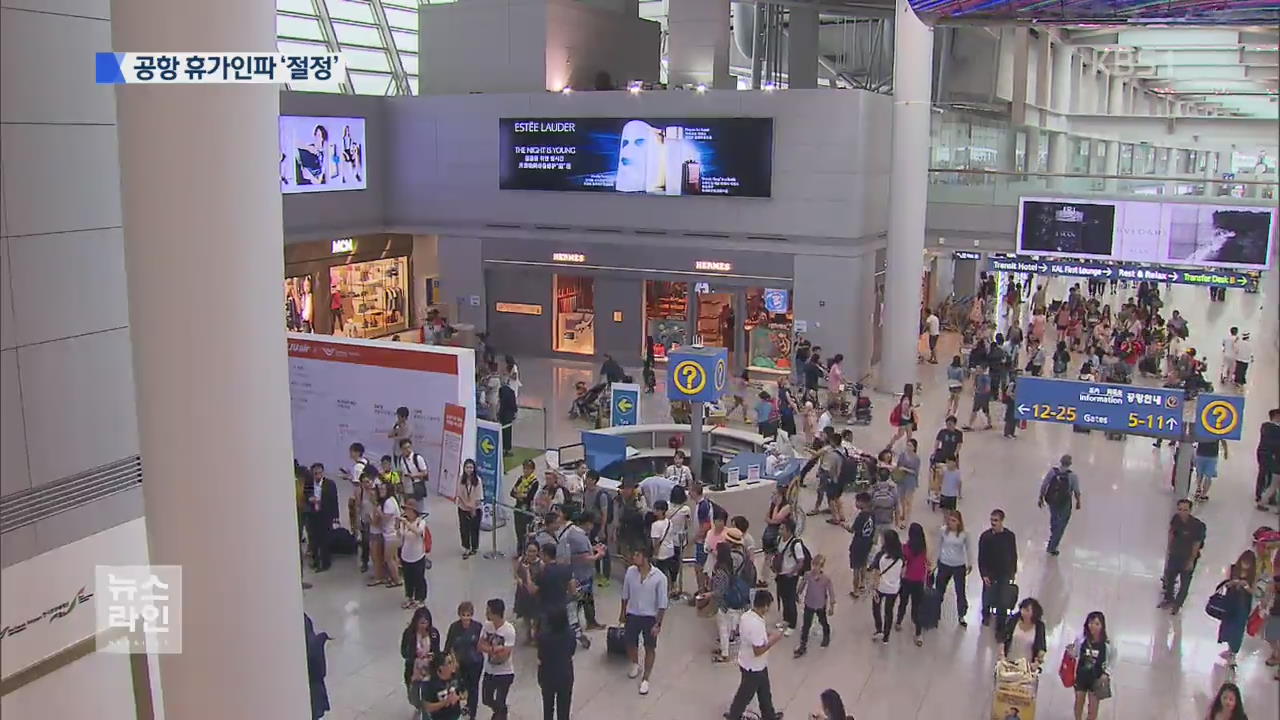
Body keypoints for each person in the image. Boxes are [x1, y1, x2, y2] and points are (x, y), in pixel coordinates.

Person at [724, 590, 783, 720]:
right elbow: (758, 651)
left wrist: (768, 634)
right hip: (754, 667)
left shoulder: (747, 616)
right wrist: (774, 639)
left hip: (752, 663)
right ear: (765, 606)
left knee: (764, 693)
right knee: (744, 695)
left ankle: (769, 716)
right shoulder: (756, 624)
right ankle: (733, 716)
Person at [620, 545, 668, 695]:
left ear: (645, 557)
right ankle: (635, 663)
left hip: (650, 616)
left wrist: (658, 623)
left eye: (637, 555)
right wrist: (622, 612)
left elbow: (662, 603)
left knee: (649, 647)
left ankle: (646, 679)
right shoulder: (630, 572)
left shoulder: (659, 577)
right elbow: (625, 594)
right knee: (629, 642)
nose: (634, 558)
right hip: (633, 613)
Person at [707, 533, 754, 663]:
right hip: (732, 601)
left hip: (723, 603)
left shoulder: (720, 570)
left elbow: (719, 590)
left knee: (723, 627)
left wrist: (709, 594)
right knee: (727, 627)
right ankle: (724, 648)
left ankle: (725, 653)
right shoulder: (731, 565)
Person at [1159, 498, 1206, 614]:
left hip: (1187, 557)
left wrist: (1191, 560)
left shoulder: (1197, 526)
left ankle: (1177, 604)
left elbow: (1196, 544)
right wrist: (1169, 548)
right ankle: (1168, 599)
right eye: (1180, 509)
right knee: (1170, 578)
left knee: (1184, 583)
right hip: (1175, 554)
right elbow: (1172, 532)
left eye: (1185, 510)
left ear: (1190, 510)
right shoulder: (1176, 519)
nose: (1182, 512)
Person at [1069, 611, 1115, 720]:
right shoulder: (1081, 639)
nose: (1093, 626)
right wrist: (1070, 652)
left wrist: (1107, 673)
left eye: (1097, 624)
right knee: (1078, 703)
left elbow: (1112, 659)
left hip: (1096, 679)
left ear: (1102, 626)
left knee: (1093, 708)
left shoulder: (1107, 644)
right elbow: (1075, 653)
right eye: (1091, 623)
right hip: (1081, 677)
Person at [978, 509, 1018, 632]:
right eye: (991, 520)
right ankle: (986, 615)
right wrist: (984, 574)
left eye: (996, 520)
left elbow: (1013, 554)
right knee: (988, 595)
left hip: (1005, 573)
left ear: (1002, 521)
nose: (993, 523)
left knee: (1003, 598)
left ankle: (1001, 623)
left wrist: (1013, 571)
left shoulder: (1009, 536)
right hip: (990, 573)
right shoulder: (986, 537)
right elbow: (981, 557)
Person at [1217, 551, 1257, 669]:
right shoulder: (1233, 568)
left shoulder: (1253, 574)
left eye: (1248, 563)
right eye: (1244, 561)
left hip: (1243, 605)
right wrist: (1233, 583)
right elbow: (1226, 583)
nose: (1246, 565)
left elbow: (1254, 592)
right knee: (1228, 626)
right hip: (1231, 603)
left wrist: (1245, 586)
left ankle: (1233, 653)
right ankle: (1230, 650)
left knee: (1238, 630)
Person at [444, 602, 484, 720]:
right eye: (463, 615)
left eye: (468, 615)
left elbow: (482, 643)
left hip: (475, 663)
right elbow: (449, 646)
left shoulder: (478, 627)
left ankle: (473, 713)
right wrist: (453, 661)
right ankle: (459, 710)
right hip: (459, 664)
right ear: (459, 615)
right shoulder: (454, 628)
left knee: (473, 688)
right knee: (459, 687)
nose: (466, 618)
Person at [479, 598, 517, 720]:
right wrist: (494, 649)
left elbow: (505, 655)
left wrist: (490, 648)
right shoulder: (487, 626)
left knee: (500, 700)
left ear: (495, 614)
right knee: (486, 699)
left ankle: (500, 715)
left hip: (504, 673)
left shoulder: (509, 630)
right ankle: (501, 711)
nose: (486, 614)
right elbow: (479, 645)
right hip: (489, 671)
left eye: (488, 611)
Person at [934, 509, 973, 627]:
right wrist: (935, 561)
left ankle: (961, 615)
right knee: (939, 590)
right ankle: (935, 613)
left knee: (960, 592)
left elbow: (968, 549)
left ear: (959, 522)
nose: (951, 523)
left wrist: (970, 563)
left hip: (958, 566)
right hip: (944, 563)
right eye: (949, 520)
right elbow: (938, 546)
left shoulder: (964, 534)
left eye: (954, 521)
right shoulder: (943, 531)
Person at [1038, 454, 1082, 556]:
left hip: (1052, 500)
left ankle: (1053, 537)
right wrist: (1078, 502)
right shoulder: (1072, 476)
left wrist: (1040, 497)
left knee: (1054, 520)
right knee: (1061, 524)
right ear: (1070, 463)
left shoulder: (1052, 472)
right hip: (1065, 503)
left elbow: (1044, 485)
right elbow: (1076, 491)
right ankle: (1052, 546)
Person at [537, 607, 576, 720]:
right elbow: (572, 652)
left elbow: (541, 656)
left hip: (547, 676)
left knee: (548, 708)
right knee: (564, 709)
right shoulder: (570, 634)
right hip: (565, 675)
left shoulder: (543, 637)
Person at [895, 522, 930, 646]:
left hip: (906, 580)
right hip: (919, 581)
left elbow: (902, 563)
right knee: (917, 607)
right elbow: (927, 563)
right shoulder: (923, 548)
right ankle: (918, 634)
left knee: (903, 603)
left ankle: (898, 622)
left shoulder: (906, 547)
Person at [774, 519, 808, 636]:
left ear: (789, 531)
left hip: (790, 577)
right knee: (783, 597)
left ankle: (792, 624)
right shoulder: (780, 540)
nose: (780, 531)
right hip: (781, 574)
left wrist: (793, 572)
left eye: (782, 529)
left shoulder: (796, 544)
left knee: (790, 600)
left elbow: (800, 561)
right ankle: (785, 619)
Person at [401, 607, 441, 706]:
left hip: (429, 670)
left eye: (425, 622)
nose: (423, 626)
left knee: (427, 695)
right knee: (413, 697)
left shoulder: (433, 633)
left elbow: (437, 651)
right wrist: (414, 655)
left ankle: (425, 711)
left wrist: (433, 656)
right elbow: (404, 652)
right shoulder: (409, 634)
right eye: (421, 622)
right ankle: (418, 706)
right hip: (413, 670)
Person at [869, 528, 903, 644]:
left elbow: (876, 573)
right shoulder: (901, 556)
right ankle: (886, 636)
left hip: (881, 587)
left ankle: (879, 629)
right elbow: (902, 572)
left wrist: (873, 588)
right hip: (894, 588)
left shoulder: (881, 556)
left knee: (876, 608)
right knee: (889, 611)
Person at [999, 598, 1046, 669]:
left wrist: (1038, 662)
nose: (1023, 612)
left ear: (1034, 613)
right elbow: (1003, 637)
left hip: (1026, 666)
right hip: (1009, 662)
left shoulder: (1039, 626)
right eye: (1022, 609)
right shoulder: (1014, 619)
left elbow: (1041, 646)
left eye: (1027, 610)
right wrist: (1002, 655)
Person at [416, 650, 464, 720]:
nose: (453, 665)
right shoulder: (429, 684)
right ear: (440, 668)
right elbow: (427, 707)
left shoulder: (456, 677)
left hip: (456, 716)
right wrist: (445, 702)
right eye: (449, 663)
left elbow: (464, 692)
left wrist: (458, 697)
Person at [399, 501, 429, 609]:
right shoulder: (403, 523)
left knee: (419, 578)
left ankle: (420, 598)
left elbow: (418, 532)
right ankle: (409, 597)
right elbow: (401, 537)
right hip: (406, 555)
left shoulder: (421, 522)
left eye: (408, 510)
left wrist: (407, 524)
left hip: (418, 555)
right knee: (408, 578)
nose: (406, 512)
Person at [513, 540, 544, 641]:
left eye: (534, 551)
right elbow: (516, 573)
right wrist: (519, 579)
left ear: (538, 552)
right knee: (525, 614)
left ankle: (535, 632)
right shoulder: (521, 560)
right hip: (523, 592)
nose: (531, 554)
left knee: (536, 615)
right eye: (529, 551)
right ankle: (528, 633)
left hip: (536, 593)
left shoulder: (541, 564)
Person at [311, 464, 339, 572]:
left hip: (326, 515)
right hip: (313, 515)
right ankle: (315, 561)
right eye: (315, 473)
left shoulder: (330, 484)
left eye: (319, 473)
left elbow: (334, 501)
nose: (317, 475)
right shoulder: (309, 484)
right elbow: (304, 496)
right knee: (314, 540)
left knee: (325, 540)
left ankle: (325, 563)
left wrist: (336, 517)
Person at [847, 492, 875, 598]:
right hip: (867, 543)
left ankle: (855, 590)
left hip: (857, 544)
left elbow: (852, 529)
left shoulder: (861, 516)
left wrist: (845, 526)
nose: (856, 504)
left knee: (856, 568)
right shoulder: (872, 514)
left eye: (857, 501)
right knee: (863, 564)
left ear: (863, 502)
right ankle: (862, 584)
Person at [511, 459, 540, 551]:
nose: (525, 471)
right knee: (518, 531)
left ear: (532, 470)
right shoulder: (521, 479)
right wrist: (520, 495)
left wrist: (519, 495)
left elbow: (529, 497)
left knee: (526, 532)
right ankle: (519, 550)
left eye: (528, 469)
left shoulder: (534, 482)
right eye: (524, 468)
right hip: (518, 508)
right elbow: (512, 492)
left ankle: (526, 550)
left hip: (527, 509)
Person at [378, 482, 403, 587]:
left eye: (383, 489)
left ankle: (396, 580)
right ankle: (395, 577)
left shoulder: (388, 503)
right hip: (394, 534)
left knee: (389, 559)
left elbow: (385, 519)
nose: (380, 491)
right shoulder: (393, 500)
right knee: (394, 558)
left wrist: (378, 511)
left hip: (390, 535)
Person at [456, 458, 482, 558]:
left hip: (475, 509)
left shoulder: (478, 480)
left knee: (474, 529)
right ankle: (466, 547)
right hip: (463, 508)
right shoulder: (460, 479)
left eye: (471, 467)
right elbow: (459, 494)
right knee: (464, 528)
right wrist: (466, 504)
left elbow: (478, 497)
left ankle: (474, 547)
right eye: (467, 467)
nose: (469, 469)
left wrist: (472, 508)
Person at [894, 439, 921, 530]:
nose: (908, 447)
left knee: (908, 501)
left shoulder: (916, 458)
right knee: (901, 499)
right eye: (907, 445)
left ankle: (906, 520)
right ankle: (903, 513)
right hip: (901, 479)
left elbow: (915, 472)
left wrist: (905, 469)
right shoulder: (902, 455)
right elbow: (898, 466)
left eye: (910, 446)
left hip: (910, 480)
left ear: (914, 448)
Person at [1255, 409, 1280, 507]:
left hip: (1269, 453)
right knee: (1264, 474)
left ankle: (1269, 496)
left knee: (1272, 476)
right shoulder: (1268, 426)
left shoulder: (1266, 426)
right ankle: (1261, 495)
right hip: (1267, 454)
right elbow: (1272, 442)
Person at [397, 438, 430, 504]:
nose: (407, 450)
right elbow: (400, 472)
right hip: (406, 487)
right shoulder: (401, 459)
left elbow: (425, 472)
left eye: (409, 447)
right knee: (408, 507)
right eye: (405, 448)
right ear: (401, 449)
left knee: (418, 508)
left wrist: (413, 475)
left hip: (416, 486)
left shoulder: (417, 458)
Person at [963, 365, 993, 431]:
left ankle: (988, 423)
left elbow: (988, 388)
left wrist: (980, 392)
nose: (977, 370)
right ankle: (971, 424)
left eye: (978, 369)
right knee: (977, 410)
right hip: (979, 395)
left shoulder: (986, 378)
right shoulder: (978, 377)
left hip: (982, 396)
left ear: (982, 369)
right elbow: (975, 385)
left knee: (984, 411)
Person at [498, 379, 518, 457]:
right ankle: (507, 449)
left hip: (502, 414)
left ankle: (502, 448)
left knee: (502, 432)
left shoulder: (501, 390)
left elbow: (501, 402)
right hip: (509, 415)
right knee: (508, 433)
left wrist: (499, 413)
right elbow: (513, 404)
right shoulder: (511, 392)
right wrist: (515, 412)